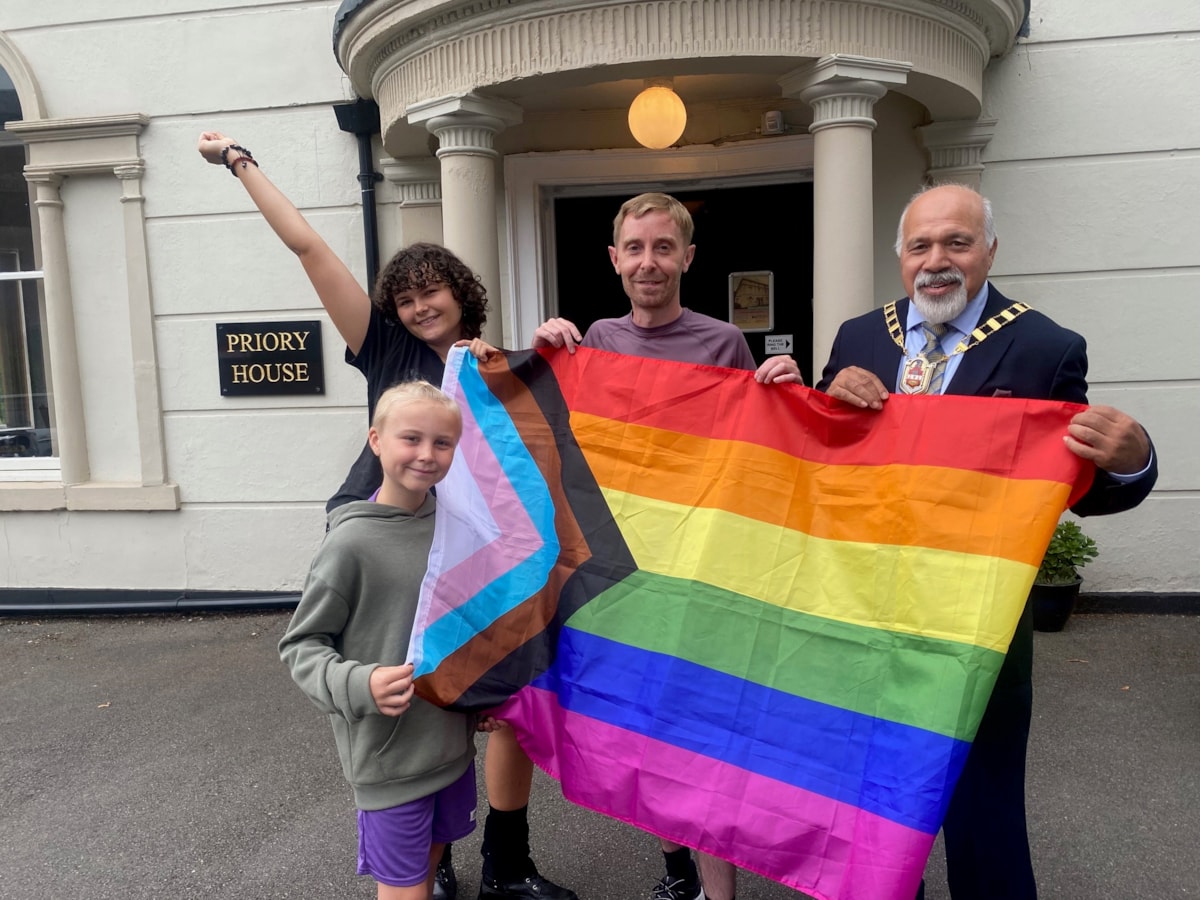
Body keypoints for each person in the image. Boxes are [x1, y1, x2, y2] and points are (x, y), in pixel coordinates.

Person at [198, 133, 574, 900]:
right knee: (391, 702)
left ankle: (499, 860)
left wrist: (565, 342)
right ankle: (415, 870)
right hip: (383, 533)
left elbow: (552, 440)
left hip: (466, 543)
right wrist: (242, 161)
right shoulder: (384, 348)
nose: (415, 305)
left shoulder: (498, 365)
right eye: (403, 297)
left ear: (463, 291)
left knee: (484, 708)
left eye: (429, 290)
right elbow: (309, 250)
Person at [816, 183, 1157, 899]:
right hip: (863, 617)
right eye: (921, 245)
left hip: (982, 631)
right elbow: (820, 458)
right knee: (864, 811)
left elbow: (1081, 487)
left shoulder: (1045, 346)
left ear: (989, 249)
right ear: (901, 257)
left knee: (984, 814)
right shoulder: (857, 337)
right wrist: (820, 397)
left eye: (957, 242)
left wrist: (1135, 459)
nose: (937, 261)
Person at [534, 192, 803, 900]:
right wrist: (543, 354)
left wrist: (787, 389)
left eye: (663, 248)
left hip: (705, 568)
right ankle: (676, 865)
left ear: (687, 257)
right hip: (628, 571)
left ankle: (717, 888)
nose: (648, 262)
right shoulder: (594, 339)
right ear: (615, 259)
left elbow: (760, 452)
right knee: (651, 729)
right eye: (635, 248)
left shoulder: (723, 343)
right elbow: (568, 440)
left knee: (706, 729)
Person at [278, 380, 483, 900]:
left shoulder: (456, 527)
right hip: (389, 758)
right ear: (376, 441)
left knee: (435, 856)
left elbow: (470, 622)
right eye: (410, 438)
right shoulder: (349, 543)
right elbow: (301, 646)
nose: (426, 454)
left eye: (442, 443)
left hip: (451, 745)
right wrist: (360, 683)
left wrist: (489, 692)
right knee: (404, 887)